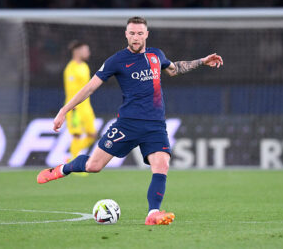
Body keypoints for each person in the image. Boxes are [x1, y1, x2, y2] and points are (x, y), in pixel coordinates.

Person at [37, 16, 223, 225]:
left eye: (140, 33)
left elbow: (174, 69)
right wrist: (64, 110)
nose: (136, 37)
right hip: (128, 124)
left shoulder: (156, 55)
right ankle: (62, 169)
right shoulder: (117, 60)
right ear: (126, 34)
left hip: (155, 125)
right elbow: (90, 87)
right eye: (132, 33)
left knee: (162, 164)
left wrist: (202, 61)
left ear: (146, 34)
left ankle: (153, 213)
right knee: (93, 166)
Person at [63, 41, 96, 175]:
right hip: (75, 109)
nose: (88, 53)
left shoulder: (85, 66)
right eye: (85, 50)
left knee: (92, 135)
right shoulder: (70, 68)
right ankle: (75, 167)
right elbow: (71, 91)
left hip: (86, 107)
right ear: (77, 51)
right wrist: (72, 108)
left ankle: (72, 157)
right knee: (76, 135)